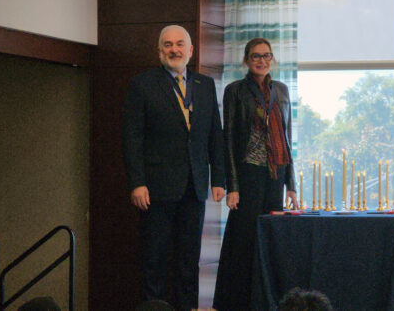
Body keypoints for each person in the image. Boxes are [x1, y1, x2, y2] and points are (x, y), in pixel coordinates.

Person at [122, 25, 225, 310]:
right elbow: (132, 138)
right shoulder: (142, 84)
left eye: (180, 44)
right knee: (154, 260)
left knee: (188, 261)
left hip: (195, 186)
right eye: (167, 45)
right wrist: (137, 182)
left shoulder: (205, 85)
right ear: (159, 52)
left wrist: (219, 179)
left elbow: (214, 134)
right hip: (155, 188)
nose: (174, 49)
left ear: (190, 51)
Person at [213, 37, 298, 310]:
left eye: (267, 56)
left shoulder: (282, 91)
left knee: (271, 239)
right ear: (246, 61)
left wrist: (291, 186)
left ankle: (266, 300)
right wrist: (232, 186)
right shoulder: (235, 91)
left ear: (272, 59)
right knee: (242, 242)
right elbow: (229, 140)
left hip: (276, 175)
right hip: (247, 175)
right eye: (256, 56)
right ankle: (235, 303)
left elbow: (287, 139)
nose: (262, 60)